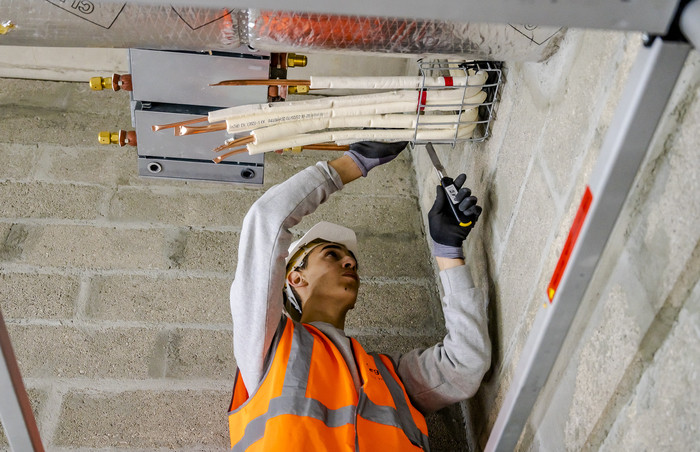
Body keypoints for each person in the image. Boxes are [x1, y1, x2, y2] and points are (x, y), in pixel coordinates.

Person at [228, 141, 490, 451]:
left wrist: (448, 250)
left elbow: (464, 365)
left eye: (347, 258)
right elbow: (266, 218)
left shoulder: (389, 376)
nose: (350, 262)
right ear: (295, 277)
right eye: (331, 254)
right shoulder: (269, 348)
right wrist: (355, 162)